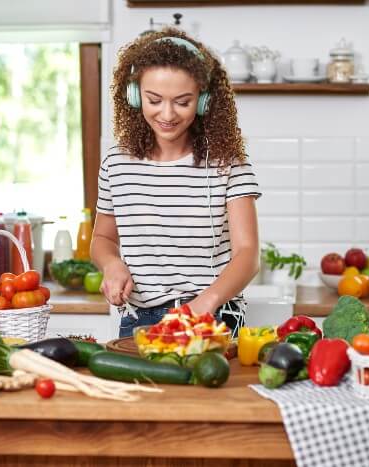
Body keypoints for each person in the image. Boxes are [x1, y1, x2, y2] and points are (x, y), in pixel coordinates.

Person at [91, 28, 261, 338]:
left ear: (203, 101)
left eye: (182, 102)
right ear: (133, 95)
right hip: (139, 319)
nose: (167, 114)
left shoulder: (228, 163)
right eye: (154, 100)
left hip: (213, 316)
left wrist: (204, 303)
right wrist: (112, 264)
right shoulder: (115, 164)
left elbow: (248, 254)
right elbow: (102, 238)